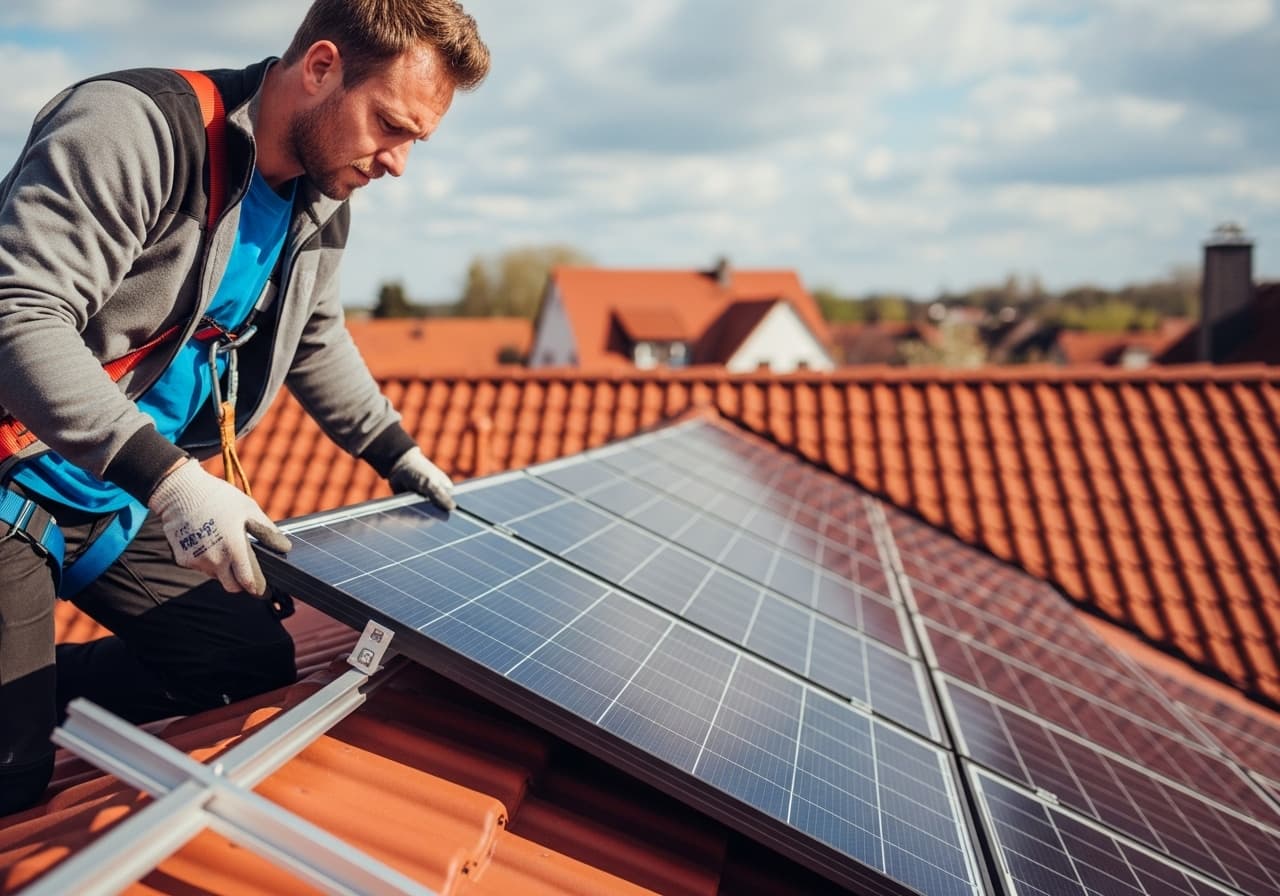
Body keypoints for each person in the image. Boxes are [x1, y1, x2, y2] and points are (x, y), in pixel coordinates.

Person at [0, 0, 489, 815]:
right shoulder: (136, 128)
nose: (399, 162)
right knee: (12, 781)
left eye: (417, 142)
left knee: (249, 665)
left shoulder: (321, 200)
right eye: (391, 126)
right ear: (322, 67)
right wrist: (174, 482)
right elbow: (19, 314)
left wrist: (396, 452)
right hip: (17, 471)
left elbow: (314, 338)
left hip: (111, 495)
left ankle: (30, 690)